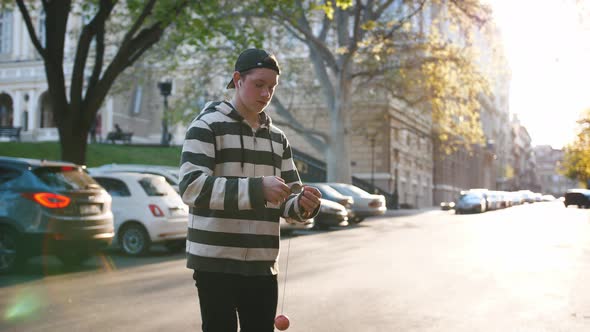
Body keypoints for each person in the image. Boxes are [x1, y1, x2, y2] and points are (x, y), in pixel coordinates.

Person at [179, 48, 322, 332]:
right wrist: (257, 189)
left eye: (271, 87)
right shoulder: (206, 126)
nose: (266, 94)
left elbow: (288, 204)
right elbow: (191, 188)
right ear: (238, 80)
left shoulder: (278, 139)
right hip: (214, 263)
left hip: (262, 264)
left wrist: (305, 205)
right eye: (259, 84)